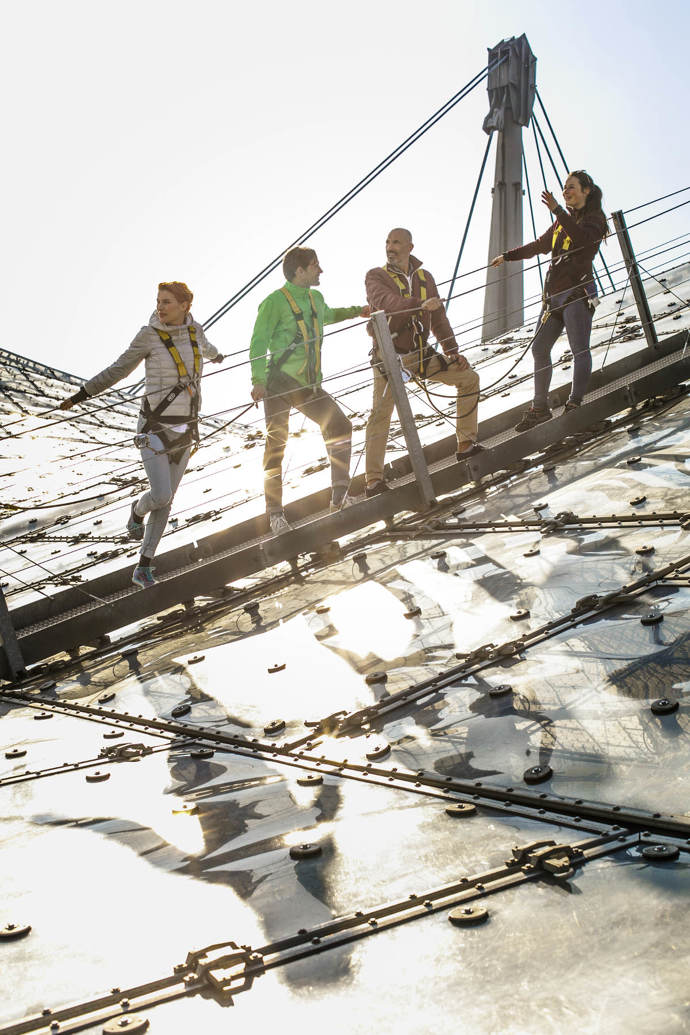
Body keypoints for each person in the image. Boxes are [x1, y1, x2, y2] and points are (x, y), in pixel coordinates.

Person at [60, 281, 223, 588]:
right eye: (158, 301)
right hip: (153, 428)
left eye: (167, 302)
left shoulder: (195, 331)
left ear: (186, 306)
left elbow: (207, 347)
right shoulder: (148, 335)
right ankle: (136, 511)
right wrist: (80, 396)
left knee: (167, 501)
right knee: (160, 495)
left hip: (187, 428)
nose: (160, 307)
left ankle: (143, 567)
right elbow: (118, 370)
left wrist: (217, 357)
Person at [250, 246, 369, 534]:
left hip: (308, 384)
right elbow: (258, 342)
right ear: (300, 271)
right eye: (316, 265)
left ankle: (339, 497)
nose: (321, 270)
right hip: (279, 383)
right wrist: (257, 381)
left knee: (340, 425)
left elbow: (327, 315)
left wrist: (357, 312)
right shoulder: (273, 302)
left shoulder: (316, 298)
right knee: (276, 446)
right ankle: (275, 515)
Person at [363, 228, 481, 496]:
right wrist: (419, 305)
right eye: (387, 242)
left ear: (409, 247)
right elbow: (386, 302)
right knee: (380, 414)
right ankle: (373, 481)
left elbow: (438, 318)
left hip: (420, 353)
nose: (389, 247)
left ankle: (466, 445)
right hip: (389, 355)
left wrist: (452, 350)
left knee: (468, 378)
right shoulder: (376, 276)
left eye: (396, 242)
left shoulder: (426, 278)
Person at [491, 170, 609, 431]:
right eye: (564, 188)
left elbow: (584, 243)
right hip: (554, 296)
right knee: (539, 348)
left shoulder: (595, 219)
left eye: (571, 187)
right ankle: (540, 407)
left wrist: (558, 210)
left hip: (577, 292)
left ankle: (575, 402)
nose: (566, 191)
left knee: (579, 348)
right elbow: (540, 245)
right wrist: (507, 256)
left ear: (586, 191)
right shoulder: (561, 223)